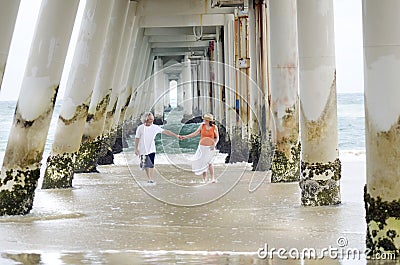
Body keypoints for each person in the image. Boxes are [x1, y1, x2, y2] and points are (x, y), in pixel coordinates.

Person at [134, 112, 179, 184]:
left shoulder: (155, 127)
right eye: (150, 119)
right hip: (142, 149)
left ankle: (150, 179)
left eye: (152, 119)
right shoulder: (140, 128)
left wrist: (176, 135)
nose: (152, 120)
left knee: (151, 164)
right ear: (146, 119)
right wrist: (136, 149)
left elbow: (166, 132)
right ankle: (148, 176)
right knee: (145, 165)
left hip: (152, 149)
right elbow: (137, 138)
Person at [181, 113, 219, 183]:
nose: (203, 120)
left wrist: (214, 144)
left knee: (210, 162)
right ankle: (204, 179)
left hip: (210, 147)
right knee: (203, 162)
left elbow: (217, 138)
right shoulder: (202, 126)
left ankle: (212, 178)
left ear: (208, 120)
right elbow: (195, 133)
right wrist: (185, 137)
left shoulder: (214, 127)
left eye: (204, 119)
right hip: (202, 147)